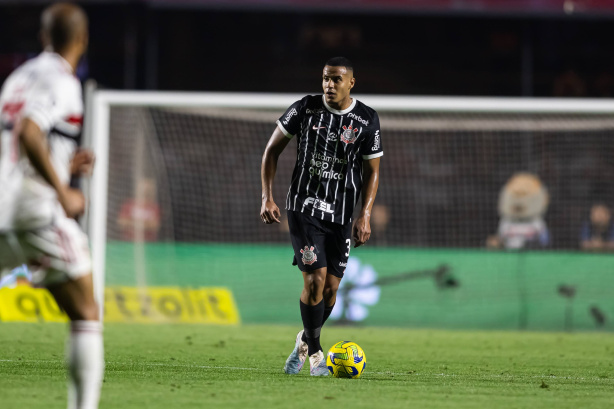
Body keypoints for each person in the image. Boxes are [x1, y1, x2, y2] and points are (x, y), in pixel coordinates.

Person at [0, 4, 103, 408]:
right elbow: (29, 132)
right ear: (83, 38)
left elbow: (18, 137)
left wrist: (63, 160)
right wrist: (64, 190)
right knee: (86, 311)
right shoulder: (62, 80)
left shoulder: (17, 78)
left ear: (44, 37)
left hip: (2, 207)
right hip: (36, 211)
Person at [260, 57, 382, 376]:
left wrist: (365, 215)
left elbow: (372, 173)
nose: (329, 84)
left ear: (350, 82)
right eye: (326, 78)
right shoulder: (305, 108)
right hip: (304, 207)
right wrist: (266, 196)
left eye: (336, 79)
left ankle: (303, 341)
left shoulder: (367, 119)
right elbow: (272, 150)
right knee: (314, 280)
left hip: (341, 215)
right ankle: (315, 355)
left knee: (330, 289)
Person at [117, 177, 161, 241]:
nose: (145, 190)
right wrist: (145, 224)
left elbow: (155, 226)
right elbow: (122, 222)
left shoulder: (154, 207)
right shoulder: (128, 204)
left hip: (149, 243)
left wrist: (132, 223)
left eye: (148, 188)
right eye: (143, 187)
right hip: (129, 242)